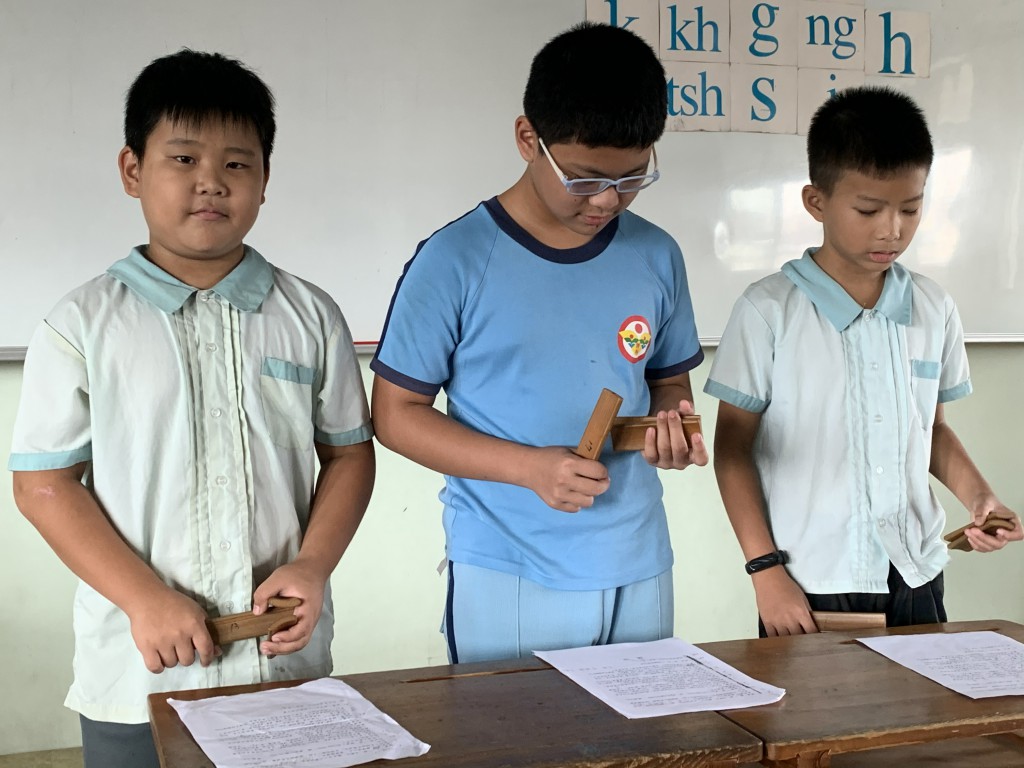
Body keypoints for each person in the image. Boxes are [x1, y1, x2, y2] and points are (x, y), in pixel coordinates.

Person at [8, 49, 374, 767]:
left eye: (237, 163)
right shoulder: (81, 324)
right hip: (139, 669)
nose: (211, 181)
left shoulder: (310, 315)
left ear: (264, 180)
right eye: (183, 158)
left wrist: (313, 564)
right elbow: (43, 485)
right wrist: (144, 598)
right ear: (132, 171)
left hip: (280, 654)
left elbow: (348, 456)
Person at [370, 22, 706, 664]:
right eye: (583, 179)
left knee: (650, 726)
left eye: (633, 177)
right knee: (521, 725)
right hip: (510, 564)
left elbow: (668, 380)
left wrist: (672, 423)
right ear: (529, 139)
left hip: (638, 557)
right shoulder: (455, 260)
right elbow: (395, 416)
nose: (607, 200)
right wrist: (529, 469)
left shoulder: (656, 255)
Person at [705, 85, 1022, 637]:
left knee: (922, 696)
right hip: (808, 577)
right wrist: (765, 571)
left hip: (916, 571)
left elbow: (931, 431)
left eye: (911, 208)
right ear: (816, 202)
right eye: (869, 209)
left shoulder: (933, 307)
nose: (892, 229)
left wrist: (980, 498)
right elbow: (732, 451)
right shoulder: (768, 310)